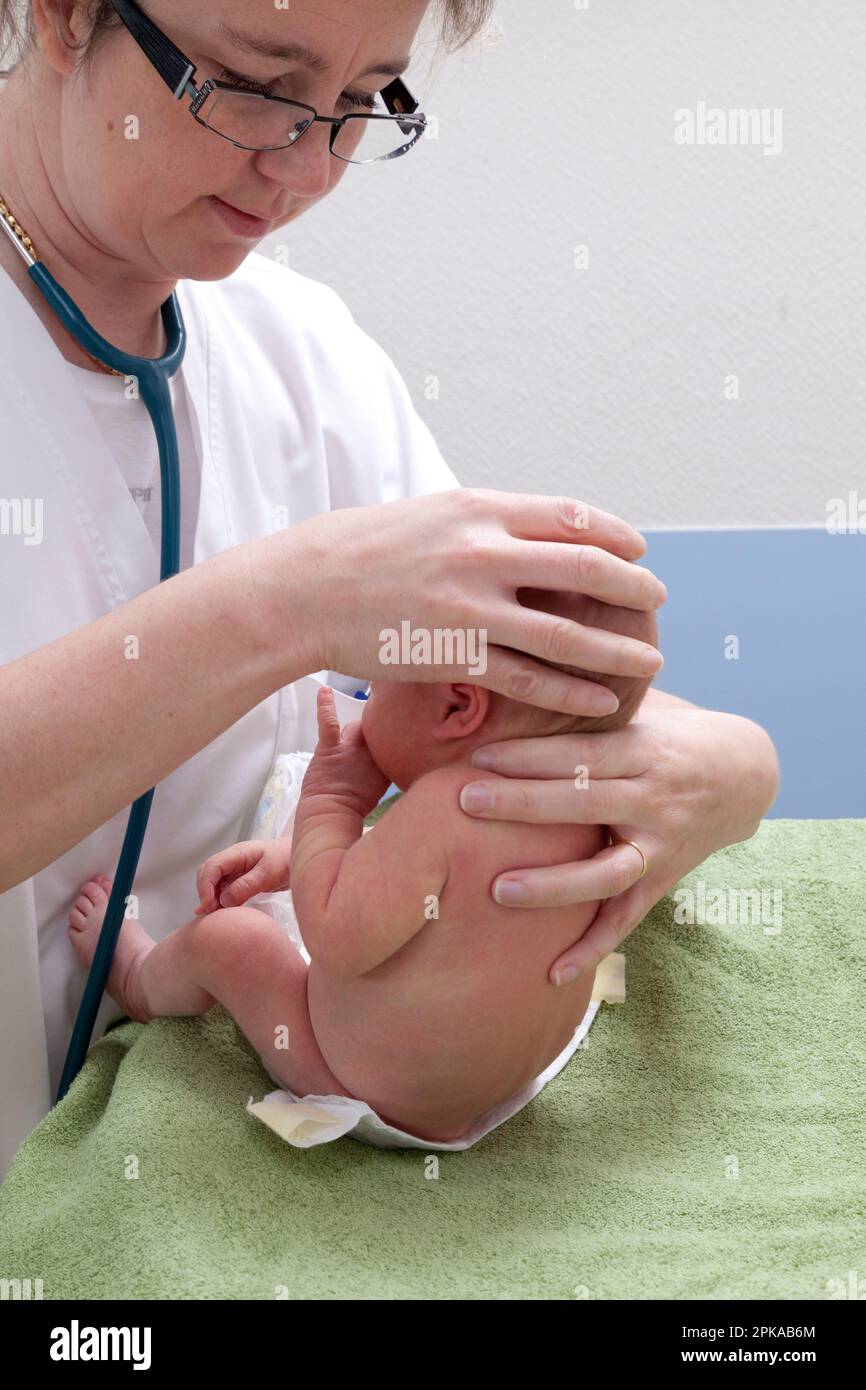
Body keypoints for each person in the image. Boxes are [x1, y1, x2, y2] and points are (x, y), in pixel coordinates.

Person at [0, 0, 778, 1178]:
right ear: (64, 16)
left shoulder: (304, 355)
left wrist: (729, 768)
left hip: (218, 1163)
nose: (308, 168)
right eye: (258, 82)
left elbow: (516, 695)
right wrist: (284, 604)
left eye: (360, 101)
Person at [67, 589, 657, 1150]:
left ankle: (142, 978)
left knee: (234, 940)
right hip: (500, 1084)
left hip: (374, 1090)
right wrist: (290, 858)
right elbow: (445, 895)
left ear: (456, 704)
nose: (367, 693)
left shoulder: (441, 810)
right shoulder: (584, 802)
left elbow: (334, 940)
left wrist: (331, 802)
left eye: (378, 677)